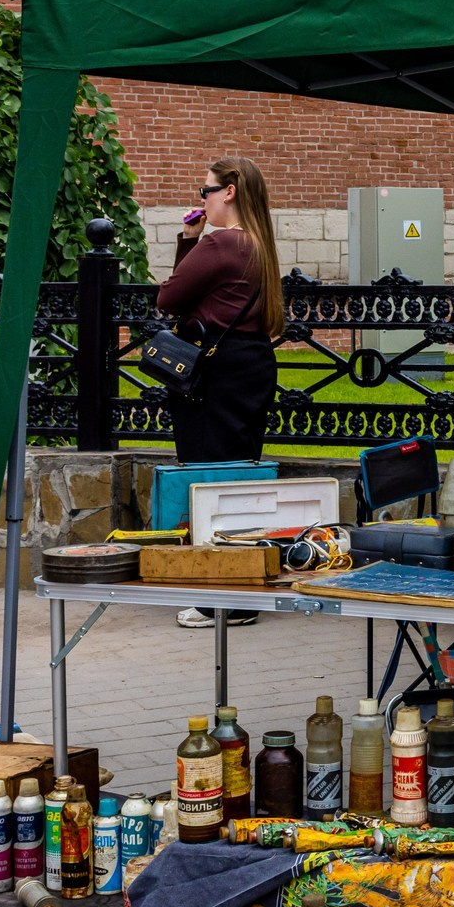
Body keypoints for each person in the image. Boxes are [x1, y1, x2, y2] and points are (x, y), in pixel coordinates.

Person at [157, 158, 285, 625]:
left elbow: (169, 298)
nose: (201, 200)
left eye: (206, 190)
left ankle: (223, 599)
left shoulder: (221, 244)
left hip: (214, 370)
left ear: (229, 192)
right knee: (240, 478)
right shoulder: (259, 244)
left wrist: (188, 241)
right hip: (252, 364)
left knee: (210, 478)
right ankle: (242, 588)